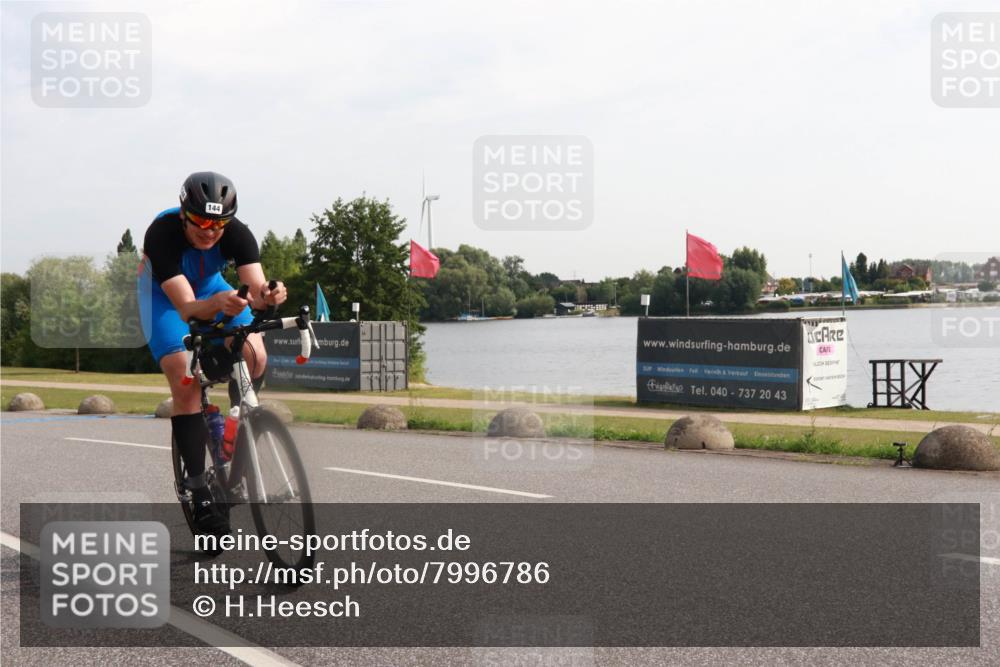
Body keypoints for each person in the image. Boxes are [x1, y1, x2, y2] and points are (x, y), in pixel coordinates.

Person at [138, 171, 286, 536]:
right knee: (184, 376)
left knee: (255, 354)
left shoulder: (238, 233)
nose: (210, 230)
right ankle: (199, 489)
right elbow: (188, 310)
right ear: (185, 214)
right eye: (202, 221)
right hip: (165, 299)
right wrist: (213, 305)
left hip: (211, 287)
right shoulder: (162, 233)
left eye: (219, 223)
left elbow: (254, 288)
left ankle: (237, 429)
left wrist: (269, 295)